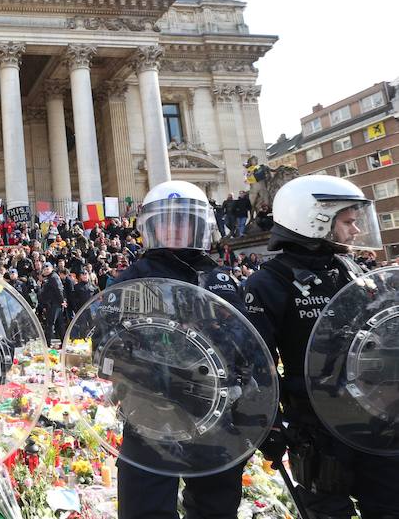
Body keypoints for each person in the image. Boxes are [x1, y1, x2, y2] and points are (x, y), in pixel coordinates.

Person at [243, 175, 399, 519]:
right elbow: (256, 363)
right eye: (348, 222)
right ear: (315, 220)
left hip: (374, 416)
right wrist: (267, 424)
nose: (355, 231)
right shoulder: (269, 283)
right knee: (329, 513)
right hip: (317, 425)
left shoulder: (351, 268)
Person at [109, 180, 249, 519]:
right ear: (152, 227)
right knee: (145, 507)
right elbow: (107, 341)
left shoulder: (220, 277)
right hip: (150, 411)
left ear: (198, 226)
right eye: (166, 221)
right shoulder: (132, 278)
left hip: (215, 411)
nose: (174, 229)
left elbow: (244, 341)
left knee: (216, 506)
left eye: (183, 220)